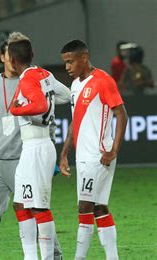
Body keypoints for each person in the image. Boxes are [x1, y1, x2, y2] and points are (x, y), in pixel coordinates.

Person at [0, 40, 68, 260]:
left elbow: (46, 113)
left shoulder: (33, 79)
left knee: (37, 208)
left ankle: (54, 255)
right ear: (3, 57)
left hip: (25, 154)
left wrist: (52, 150)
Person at [60, 39, 128, 260]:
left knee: (84, 207)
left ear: (84, 58)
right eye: (65, 63)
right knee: (99, 208)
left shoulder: (103, 81)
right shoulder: (75, 85)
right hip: (83, 156)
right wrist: (65, 151)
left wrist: (113, 151)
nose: (67, 67)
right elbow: (75, 120)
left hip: (99, 157)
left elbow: (121, 114)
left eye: (70, 62)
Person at [7, 32, 61, 260]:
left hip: (37, 146)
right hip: (33, 147)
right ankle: (30, 256)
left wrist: (17, 109)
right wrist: (50, 104)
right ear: (32, 55)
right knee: (20, 204)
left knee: (38, 206)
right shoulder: (44, 75)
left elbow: (38, 105)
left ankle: (47, 257)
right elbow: (68, 96)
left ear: (11, 59)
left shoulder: (28, 79)